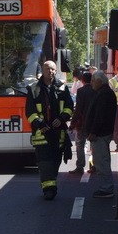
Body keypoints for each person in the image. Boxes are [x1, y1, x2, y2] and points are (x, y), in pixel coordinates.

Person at [25, 60, 73, 200]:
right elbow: (30, 111)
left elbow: (70, 106)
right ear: (42, 71)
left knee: (56, 161)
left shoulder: (63, 87)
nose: (50, 71)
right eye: (47, 69)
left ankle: (51, 182)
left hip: (59, 133)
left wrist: (62, 118)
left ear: (55, 71)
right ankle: (48, 190)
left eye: (52, 69)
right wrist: (40, 124)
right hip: (42, 133)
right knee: (45, 162)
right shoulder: (33, 89)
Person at [83, 70, 117, 199]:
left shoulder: (103, 94)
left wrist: (93, 132)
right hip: (102, 132)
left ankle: (106, 188)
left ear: (99, 81)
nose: (91, 83)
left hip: (100, 134)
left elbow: (99, 115)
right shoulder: (104, 93)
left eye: (92, 80)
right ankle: (105, 187)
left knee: (101, 161)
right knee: (101, 160)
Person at [68, 70, 95, 175]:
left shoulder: (81, 91)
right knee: (94, 145)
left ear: (82, 80)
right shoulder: (96, 91)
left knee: (80, 144)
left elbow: (78, 109)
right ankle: (94, 166)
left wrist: (72, 124)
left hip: (82, 123)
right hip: (93, 123)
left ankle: (80, 166)